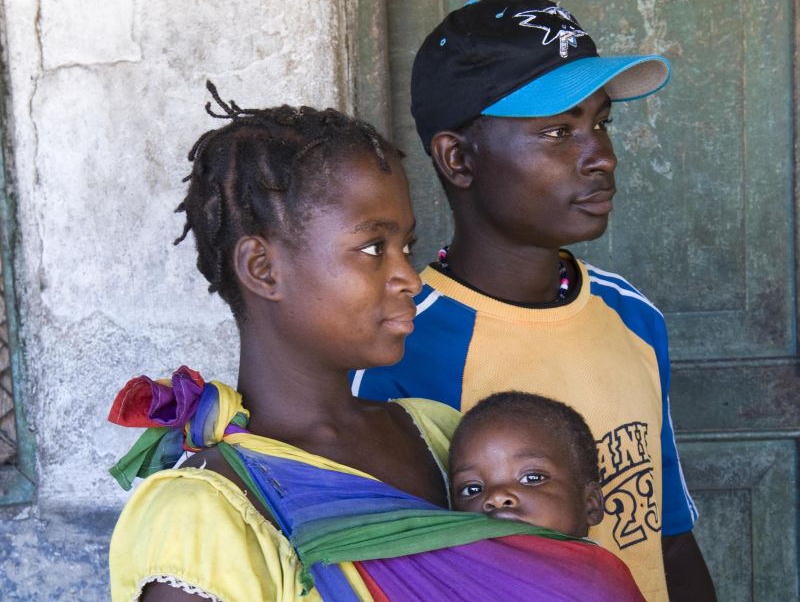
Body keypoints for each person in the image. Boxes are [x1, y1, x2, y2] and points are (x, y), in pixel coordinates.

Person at [107, 82, 647, 602]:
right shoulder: (201, 514)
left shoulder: (439, 435)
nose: (408, 277)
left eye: (406, 246)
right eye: (372, 249)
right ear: (263, 268)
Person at [352, 0, 716, 602]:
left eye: (600, 122)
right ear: (458, 158)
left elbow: (667, 538)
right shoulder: (398, 347)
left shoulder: (632, 316)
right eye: (557, 131)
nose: (601, 156)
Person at [449, 391, 604, 539]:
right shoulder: (447, 565)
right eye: (472, 489)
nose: (497, 497)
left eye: (532, 478)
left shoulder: (605, 567)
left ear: (590, 505)